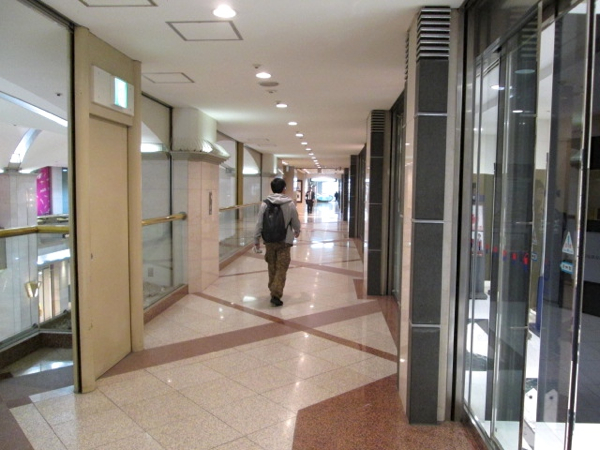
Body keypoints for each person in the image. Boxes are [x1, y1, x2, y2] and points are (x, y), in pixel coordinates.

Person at [254, 178, 301, 306]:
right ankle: (276, 293)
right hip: (284, 241)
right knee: (282, 267)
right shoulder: (290, 203)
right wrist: (297, 230)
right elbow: (295, 220)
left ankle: (273, 289)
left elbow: (259, 223)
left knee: (272, 266)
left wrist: (256, 239)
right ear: (284, 189)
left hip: (269, 240)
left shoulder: (265, 204)